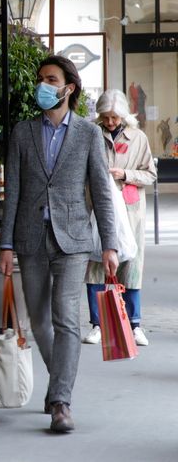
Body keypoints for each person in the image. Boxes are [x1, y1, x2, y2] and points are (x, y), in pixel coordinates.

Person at [0, 55, 119, 434]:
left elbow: (101, 192)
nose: (43, 86)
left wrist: (109, 244)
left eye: (51, 79)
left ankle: (60, 402)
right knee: (38, 320)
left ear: (69, 87)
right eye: (40, 79)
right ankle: (59, 383)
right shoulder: (23, 132)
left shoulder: (87, 133)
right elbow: (13, 191)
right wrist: (4, 244)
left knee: (65, 318)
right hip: (30, 238)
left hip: (74, 240)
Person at [82, 89, 156, 346]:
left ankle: (134, 324)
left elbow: (150, 174)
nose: (110, 122)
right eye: (106, 117)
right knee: (94, 265)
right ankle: (97, 325)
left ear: (124, 115)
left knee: (131, 267)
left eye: (115, 117)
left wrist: (124, 173)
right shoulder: (92, 135)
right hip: (97, 210)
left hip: (130, 211)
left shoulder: (138, 138)